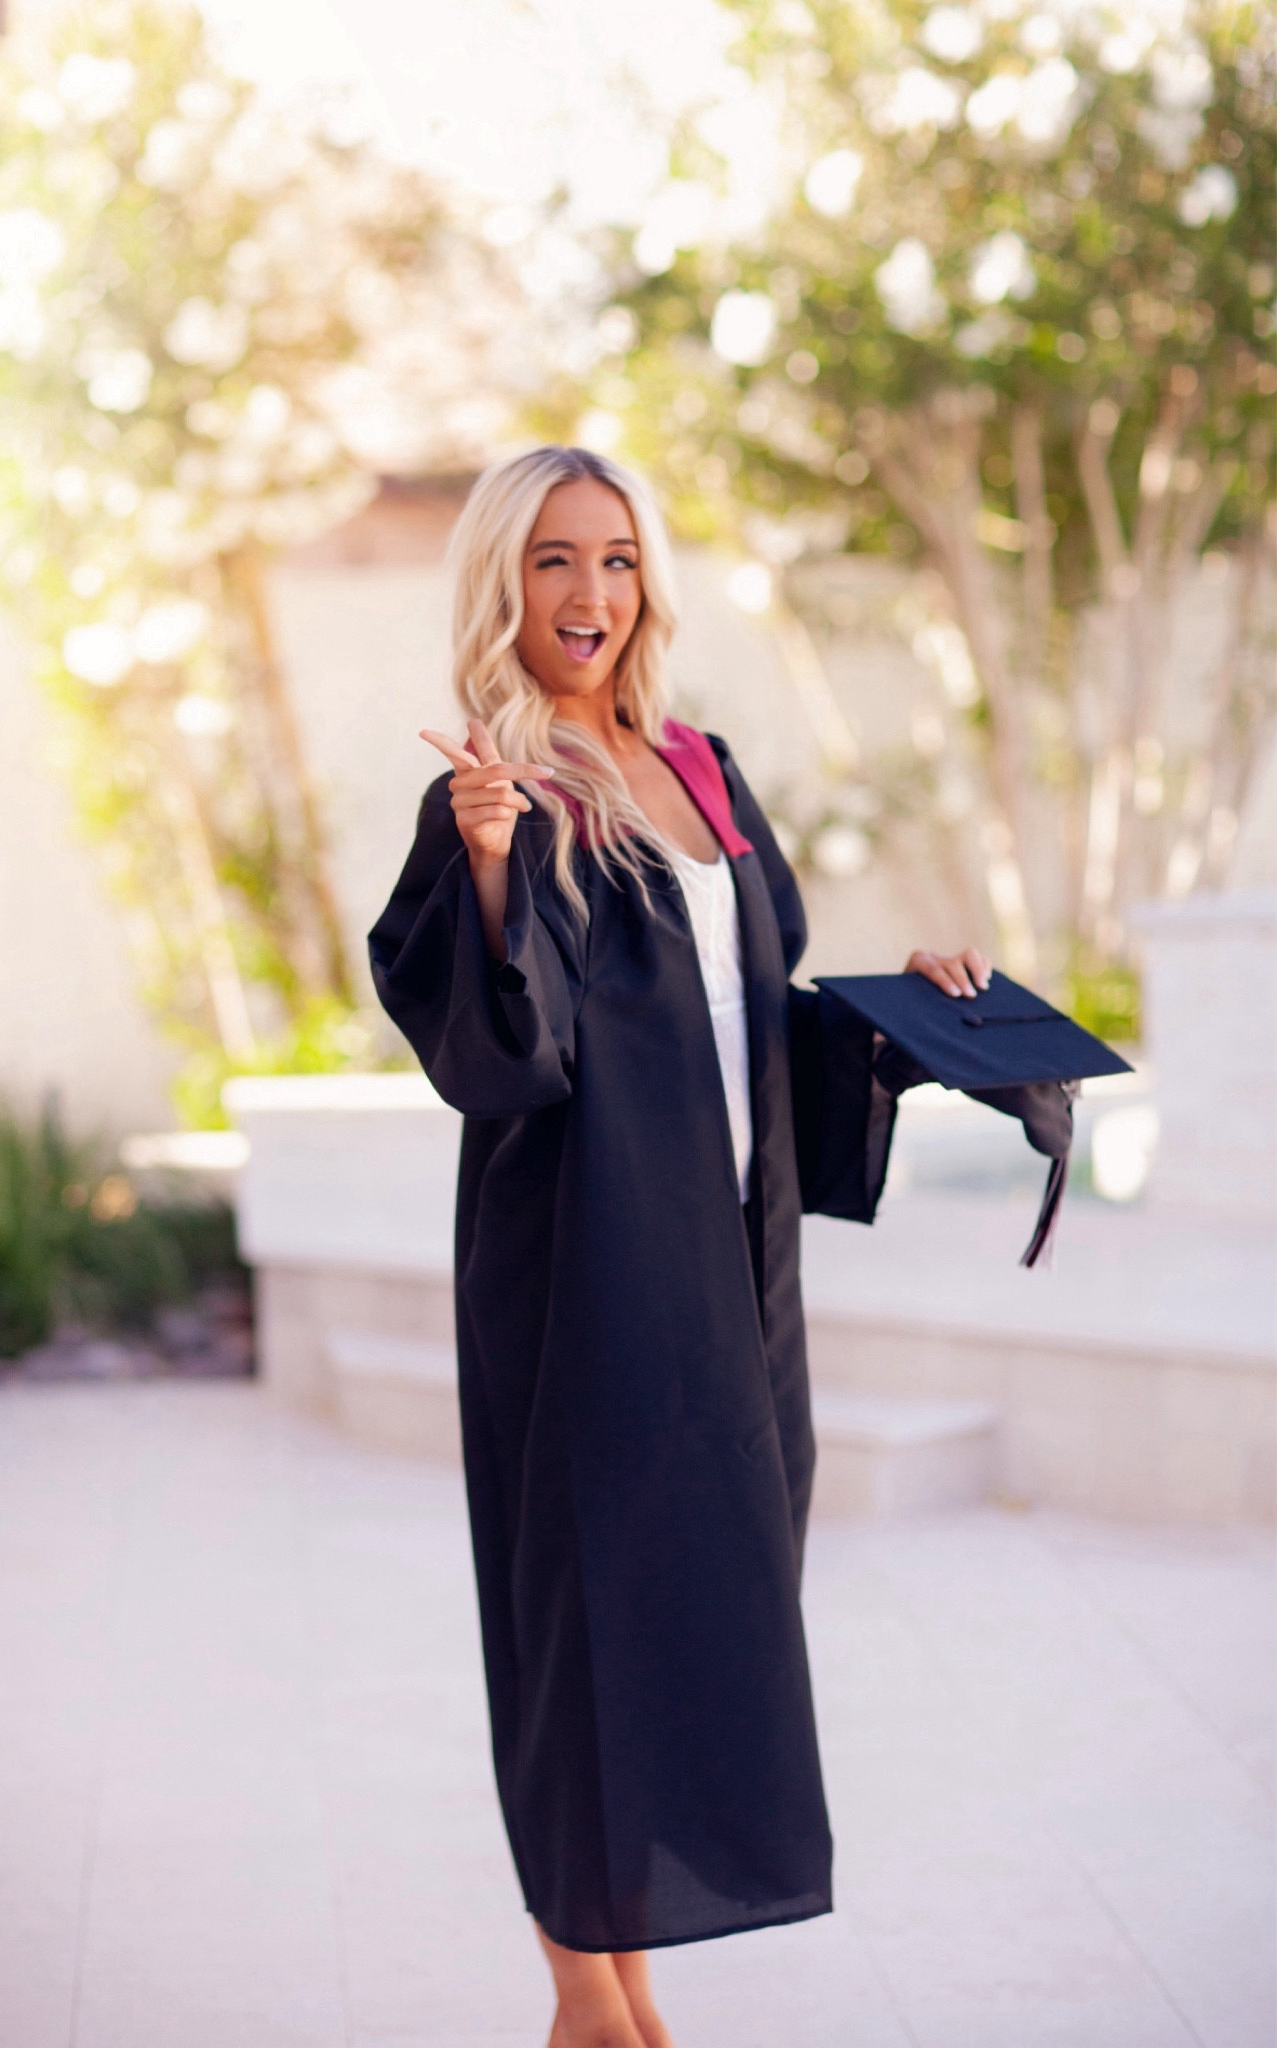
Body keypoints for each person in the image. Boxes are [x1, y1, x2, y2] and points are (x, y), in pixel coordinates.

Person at [369, 445, 989, 2048]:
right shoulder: (493, 788)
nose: (589, 595)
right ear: (505, 581)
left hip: (729, 1274)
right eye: (556, 562)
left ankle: (624, 1990)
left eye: (618, 560)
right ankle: (588, 1999)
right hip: (583, 1272)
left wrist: (902, 1016)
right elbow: (504, 1056)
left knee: (708, 1604)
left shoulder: (699, 769)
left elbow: (746, 1019)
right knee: (589, 1616)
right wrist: (501, 864)